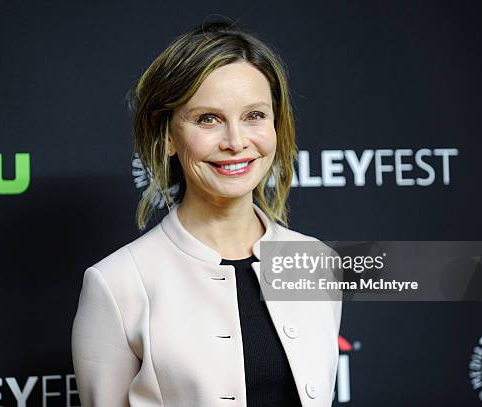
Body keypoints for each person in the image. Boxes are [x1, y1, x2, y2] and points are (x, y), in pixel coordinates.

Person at [71, 20, 342, 407]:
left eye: (254, 115)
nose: (236, 141)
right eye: (207, 119)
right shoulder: (117, 284)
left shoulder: (314, 261)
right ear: (166, 136)